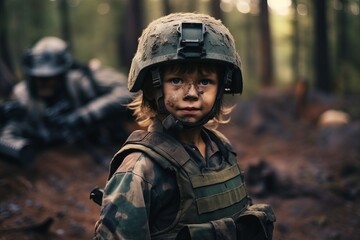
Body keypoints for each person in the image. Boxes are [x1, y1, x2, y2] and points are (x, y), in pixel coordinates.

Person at [93, 13, 276, 240]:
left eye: (205, 81)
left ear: (221, 88)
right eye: (176, 80)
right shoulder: (140, 169)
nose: (191, 94)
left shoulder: (220, 148)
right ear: (153, 88)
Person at [0, 36, 133, 166]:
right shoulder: (23, 97)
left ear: (63, 73)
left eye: (49, 78)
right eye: (38, 77)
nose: (43, 83)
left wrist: (84, 115)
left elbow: (128, 92)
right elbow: (8, 137)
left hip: (99, 148)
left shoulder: (81, 80)